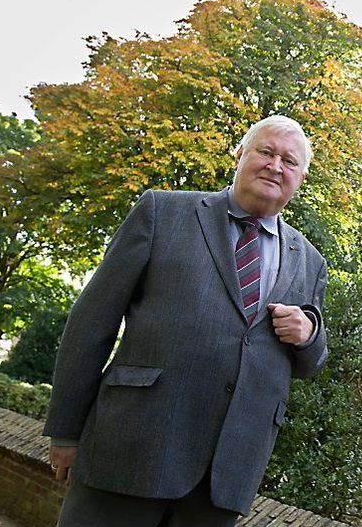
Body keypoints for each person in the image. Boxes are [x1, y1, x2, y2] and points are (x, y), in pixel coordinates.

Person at [43, 115, 328, 527]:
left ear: (301, 176)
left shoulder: (311, 261)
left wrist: (308, 335)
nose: (275, 166)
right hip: (129, 451)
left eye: (289, 161)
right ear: (240, 155)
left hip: (223, 478)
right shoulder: (162, 212)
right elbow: (92, 322)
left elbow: (311, 362)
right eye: (265, 152)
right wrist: (66, 431)